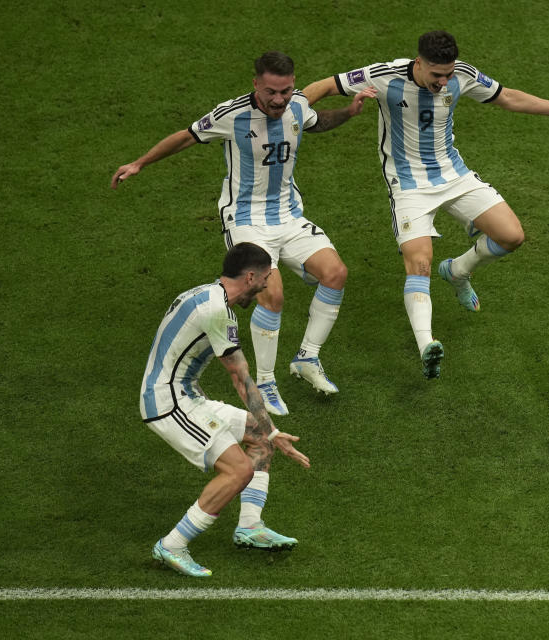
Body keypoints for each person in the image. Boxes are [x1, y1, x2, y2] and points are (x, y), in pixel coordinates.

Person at [302, 31, 549, 378]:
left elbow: (507, 97)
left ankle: (458, 270)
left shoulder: (462, 74)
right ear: (418, 64)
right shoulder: (384, 75)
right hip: (409, 185)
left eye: (447, 74)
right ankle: (426, 343)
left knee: (512, 236)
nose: (444, 82)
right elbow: (325, 84)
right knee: (419, 264)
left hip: (453, 175)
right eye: (436, 75)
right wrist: (294, 113)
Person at [113, 51, 377, 414]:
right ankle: (266, 382)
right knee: (272, 293)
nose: (279, 100)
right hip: (246, 219)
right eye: (271, 91)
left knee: (336, 273)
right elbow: (187, 137)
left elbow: (316, 122)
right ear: (256, 84)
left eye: (285, 91)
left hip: (288, 214)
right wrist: (139, 163)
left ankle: (306, 359)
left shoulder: (297, 107)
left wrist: (348, 113)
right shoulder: (232, 114)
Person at [141, 242, 311, 578]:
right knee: (238, 470)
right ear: (249, 277)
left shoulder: (206, 294)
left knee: (259, 440)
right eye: (264, 280)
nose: (265, 287)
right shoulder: (217, 310)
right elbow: (240, 377)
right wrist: (274, 430)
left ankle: (249, 526)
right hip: (168, 402)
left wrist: (268, 433)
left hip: (186, 394)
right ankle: (172, 545)